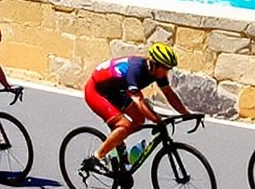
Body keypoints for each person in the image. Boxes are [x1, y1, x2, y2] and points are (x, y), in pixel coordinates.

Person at [82, 42, 194, 174]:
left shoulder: (157, 72)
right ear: (154, 64)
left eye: (168, 69)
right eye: (165, 68)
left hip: (115, 90)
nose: (166, 72)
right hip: (96, 91)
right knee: (124, 125)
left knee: (139, 120)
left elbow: (169, 94)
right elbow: (139, 101)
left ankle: (117, 143)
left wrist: (186, 113)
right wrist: (156, 120)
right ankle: (96, 158)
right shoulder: (135, 70)